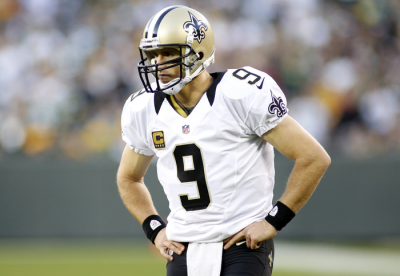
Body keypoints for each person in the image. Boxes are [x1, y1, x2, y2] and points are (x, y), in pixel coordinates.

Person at [117, 5, 330, 276]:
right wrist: (154, 228)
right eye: (153, 54)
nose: (158, 63)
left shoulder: (239, 93)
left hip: (241, 244)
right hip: (183, 246)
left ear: (199, 52)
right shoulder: (144, 109)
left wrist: (273, 221)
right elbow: (128, 179)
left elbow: (313, 157)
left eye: (169, 53)